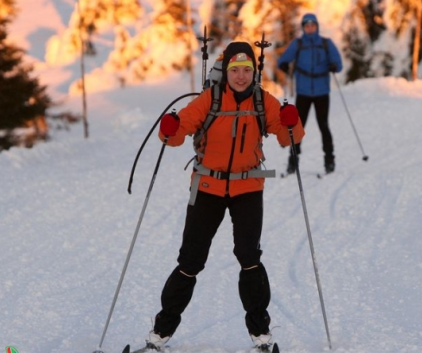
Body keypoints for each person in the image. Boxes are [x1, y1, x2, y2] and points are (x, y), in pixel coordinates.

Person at [145, 41, 304, 351]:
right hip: (207, 187)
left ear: (254, 73)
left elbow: (289, 139)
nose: (241, 76)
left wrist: (291, 121)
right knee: (190, 261)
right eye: (235, 70)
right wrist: (169, 128)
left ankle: (261, 334)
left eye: (247, 70)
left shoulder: (263, 101)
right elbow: (176, 136)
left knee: (249, 258)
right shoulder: (209, 99)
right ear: (226, 71)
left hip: (248, 188)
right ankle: (160, 332)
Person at [277, 13, 343, 175]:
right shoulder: (298, 44)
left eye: (312, 25)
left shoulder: (326, 43)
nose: (310, 28)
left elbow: (339, 63)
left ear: (317, 26)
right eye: (307, 25)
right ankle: (293, 161)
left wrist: (334, 65)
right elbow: (282, 60)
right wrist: (284, 64)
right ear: (303, 27)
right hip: (304, 92)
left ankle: (329, 160)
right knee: (298, 127)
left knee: (323, 125)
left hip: (321, 92)